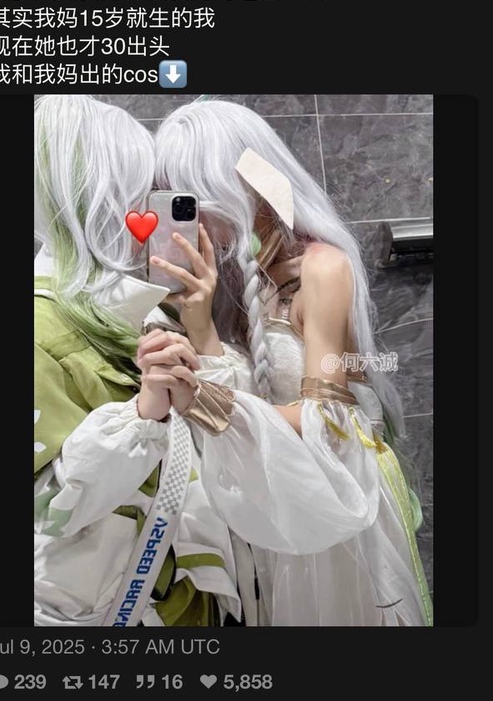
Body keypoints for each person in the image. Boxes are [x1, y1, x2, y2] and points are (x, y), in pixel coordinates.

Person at [145, 97, 432, 627]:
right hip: (290, 491)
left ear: (241, 186)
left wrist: (201, 398)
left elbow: (328, 418)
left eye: (197, 197)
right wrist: (199, 322)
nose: (195, 218)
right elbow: (258, 392)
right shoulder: (253, 275)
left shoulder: (322, 268)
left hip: (338, 495)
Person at [34, 95, 242, 627]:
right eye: (139, 191)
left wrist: (198, 321)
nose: (150, 212)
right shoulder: (40, 328)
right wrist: (143, 413)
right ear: (98, 201)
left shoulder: (135, 309)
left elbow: (219, 424)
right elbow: (46, 507)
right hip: (115, 606)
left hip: (179, 592)